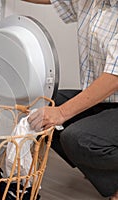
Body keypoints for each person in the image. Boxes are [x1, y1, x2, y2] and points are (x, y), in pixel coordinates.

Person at [21, 0, 118, 199]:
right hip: (106, 100)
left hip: (113, 90)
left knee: (78, 138)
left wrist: (62, 113)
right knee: (39, 106)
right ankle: (99, 170)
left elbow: (114, 77)